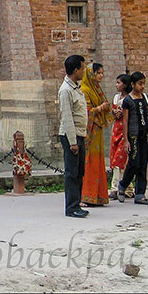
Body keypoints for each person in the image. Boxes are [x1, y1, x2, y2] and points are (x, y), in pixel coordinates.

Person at [117, 71, 148, 205]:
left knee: (143, 164)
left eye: (144, 84)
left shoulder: (143, 97)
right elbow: (125, 121)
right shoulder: (128, 100)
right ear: (133, 84)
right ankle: (122, 185)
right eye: (140, 84)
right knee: (134, 163)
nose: (142, 86)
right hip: (133, 136)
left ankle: (140, 193)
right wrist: (126, 140)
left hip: (144, 135)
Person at [58, 55, 89, 218]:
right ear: (75, 70)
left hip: (79, 134)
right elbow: (67, 117)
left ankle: (77, 203)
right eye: (82, 68)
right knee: (72, 173)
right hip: (71, 136)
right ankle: (71, 207)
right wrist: (72, 142)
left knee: (79, 172)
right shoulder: (65, 90)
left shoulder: (76, 88)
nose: (83, 71)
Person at [80, 63, 113, 206]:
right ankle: (87, 195)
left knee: (98, 162)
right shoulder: (84, 89)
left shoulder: (96, 89)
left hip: (97, 130)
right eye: (98, 73)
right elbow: (86, 111)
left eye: (101, 73)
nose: (101, 75)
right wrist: (100, 108)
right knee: (89, 163)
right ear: (91, 74)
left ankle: (98, 195)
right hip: (89, 133)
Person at [108, 74, 134, 200]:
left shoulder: (130, 98)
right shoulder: (116, 98)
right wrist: (115, 113)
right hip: (116, 130)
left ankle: (115, 188)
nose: (116, 85)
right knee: (115, 159)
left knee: (121, 159)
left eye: (118, 82)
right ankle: (127, 188)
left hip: (126, 130)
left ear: (125, 84)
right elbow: (113, 114)